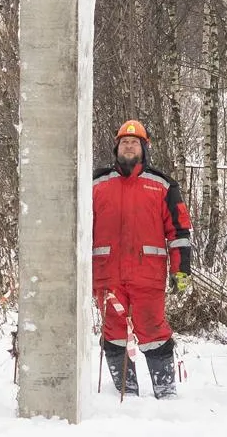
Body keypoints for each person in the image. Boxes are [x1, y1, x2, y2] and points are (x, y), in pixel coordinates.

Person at [92, 119, 192, 398]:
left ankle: (166, 391)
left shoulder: (162, 184)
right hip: (106, 274)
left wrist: (181, 269)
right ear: (116, 147)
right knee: (112, 332)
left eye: (134, 142)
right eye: (124, 141)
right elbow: (79, 230)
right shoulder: (96, 184)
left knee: (154, 330)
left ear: (144, 148)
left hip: (147, 274)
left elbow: (179, 230)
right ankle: (125, 392)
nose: (129, 146)